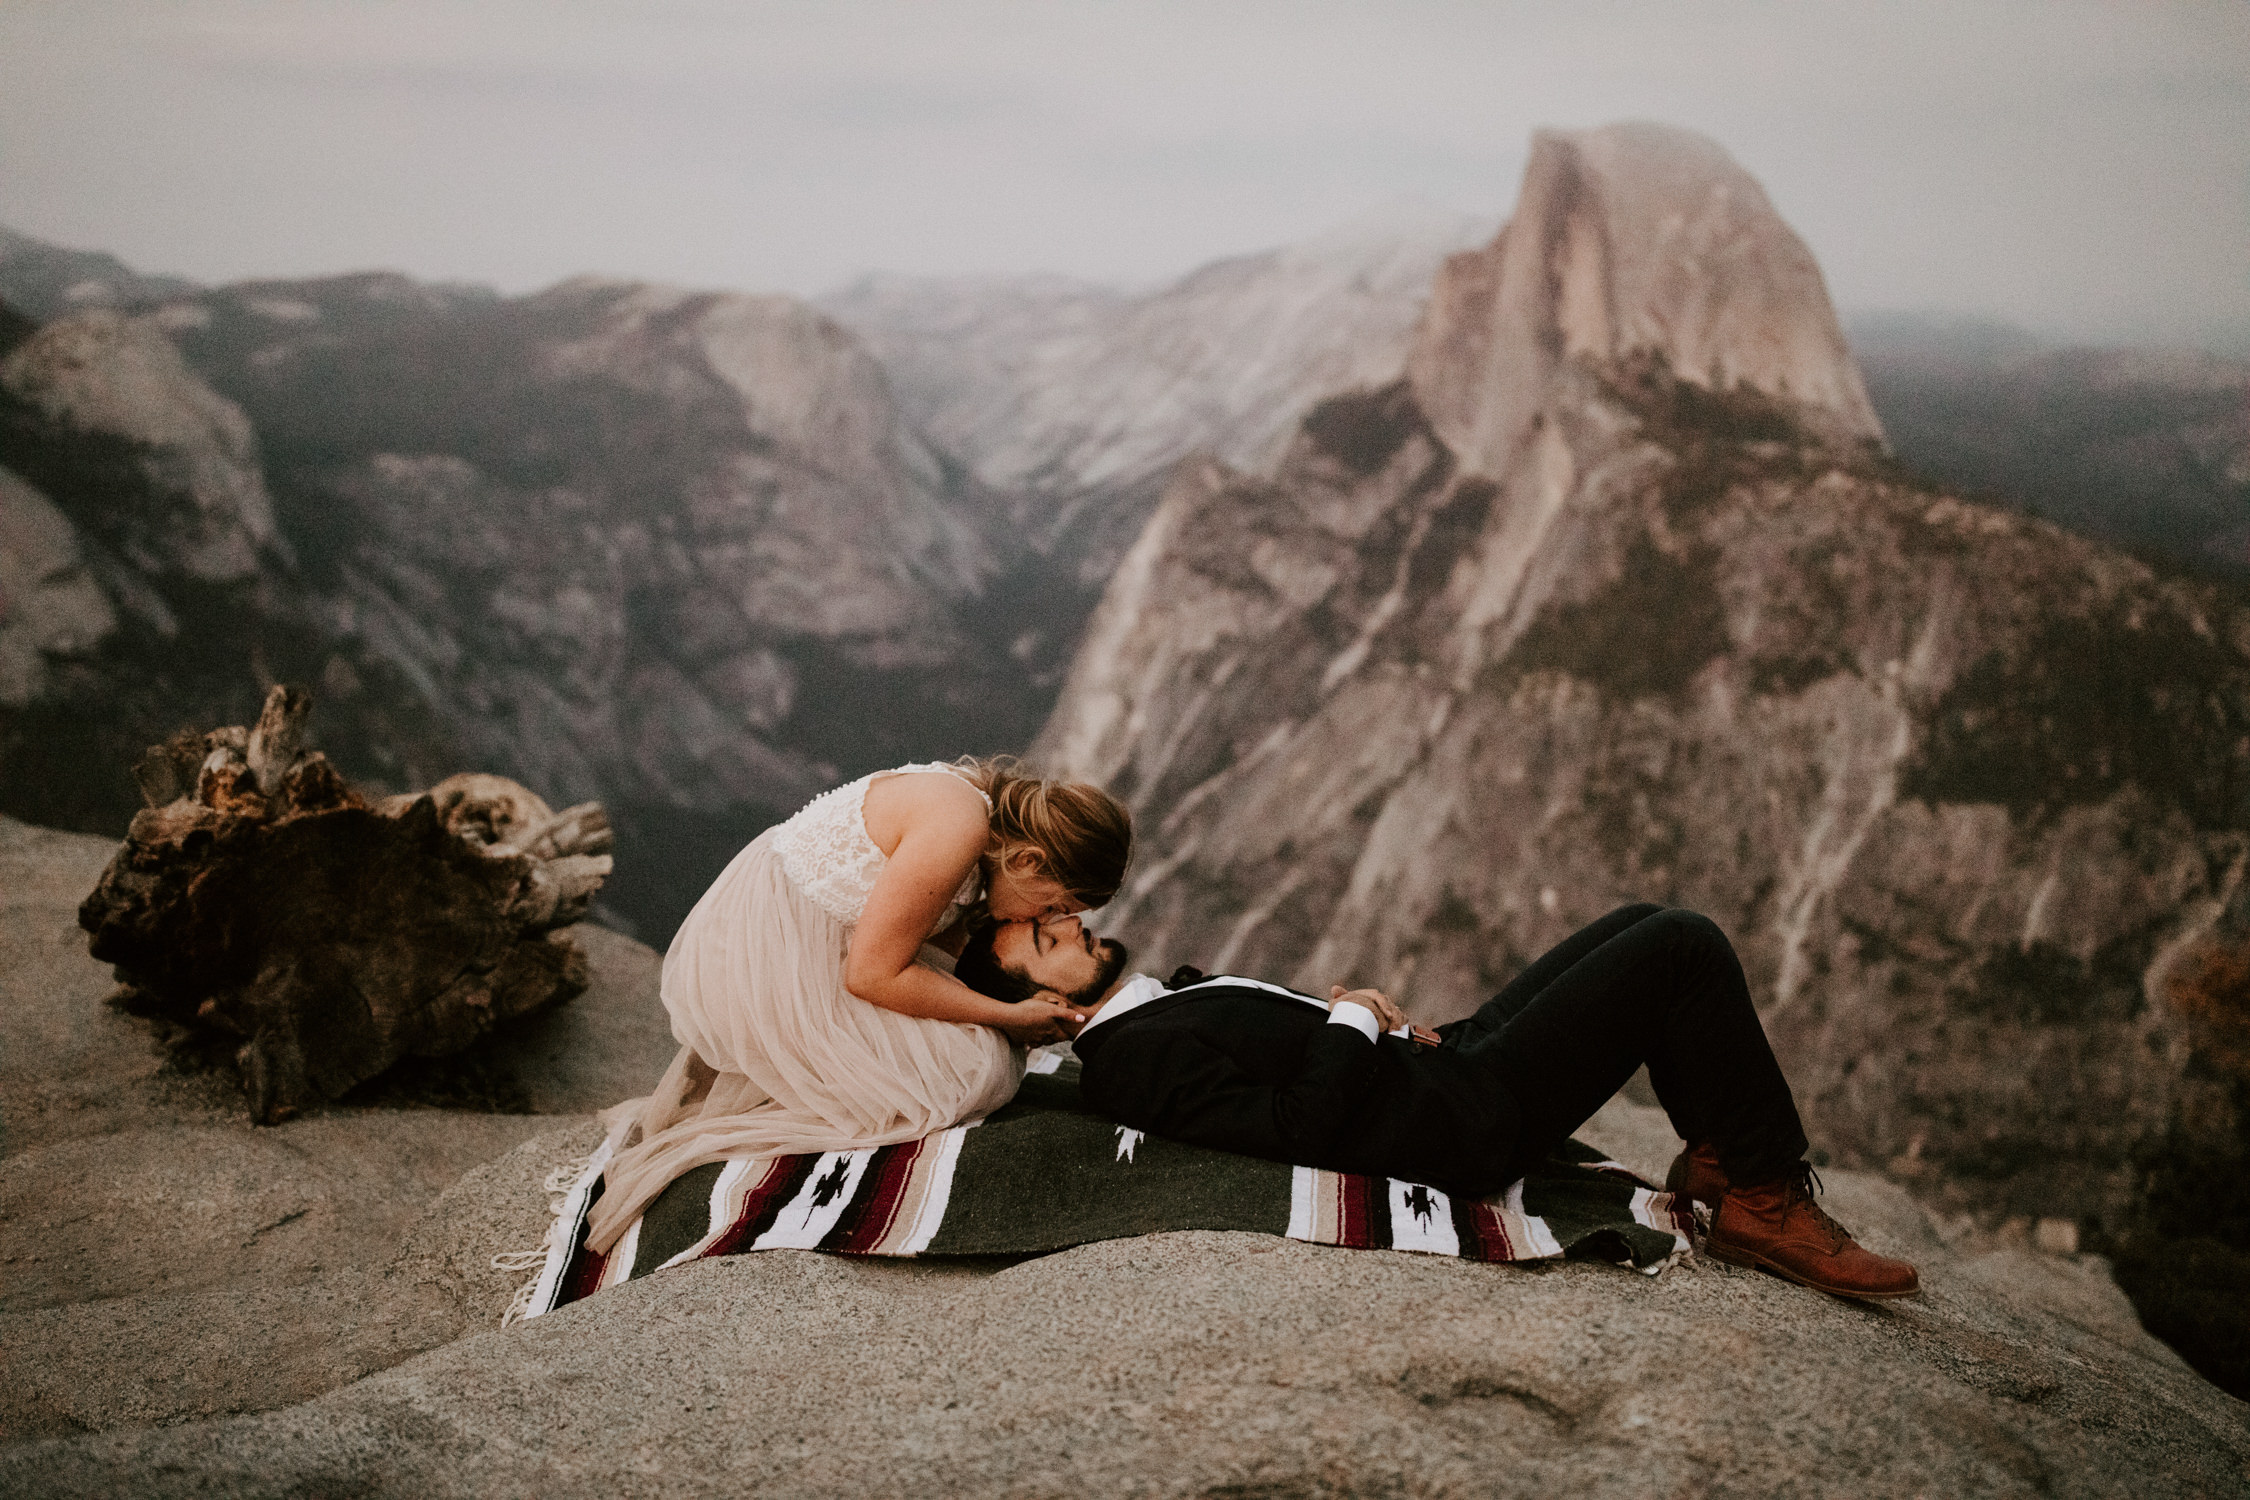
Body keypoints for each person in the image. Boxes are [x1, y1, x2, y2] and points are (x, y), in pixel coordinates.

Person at [954, 902, 1919, 1302]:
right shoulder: (1127, 1061)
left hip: (1435, 1065)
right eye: (1045, 937)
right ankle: (1759, 1194)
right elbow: (1299, 1128)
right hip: (1459, 1120)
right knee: (1682, 949)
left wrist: (1365, 1025)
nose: (1069, 919)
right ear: (1053, 1003)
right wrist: (1350, 1020)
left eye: (1049, 916)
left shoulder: (1144, 1014)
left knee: (1639, 926)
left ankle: (1718, 1148)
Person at [585, 758, 1130, 1254]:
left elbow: (930, 946)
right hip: (781, 962)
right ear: (1030, 860)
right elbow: (872, 976)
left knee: (971, 1034)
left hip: (811, 945)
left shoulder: (975, 810)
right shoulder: (957, 827)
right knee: (976, 1066)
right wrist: (1009, 1016)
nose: (1045, 919)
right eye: (1055, 903)